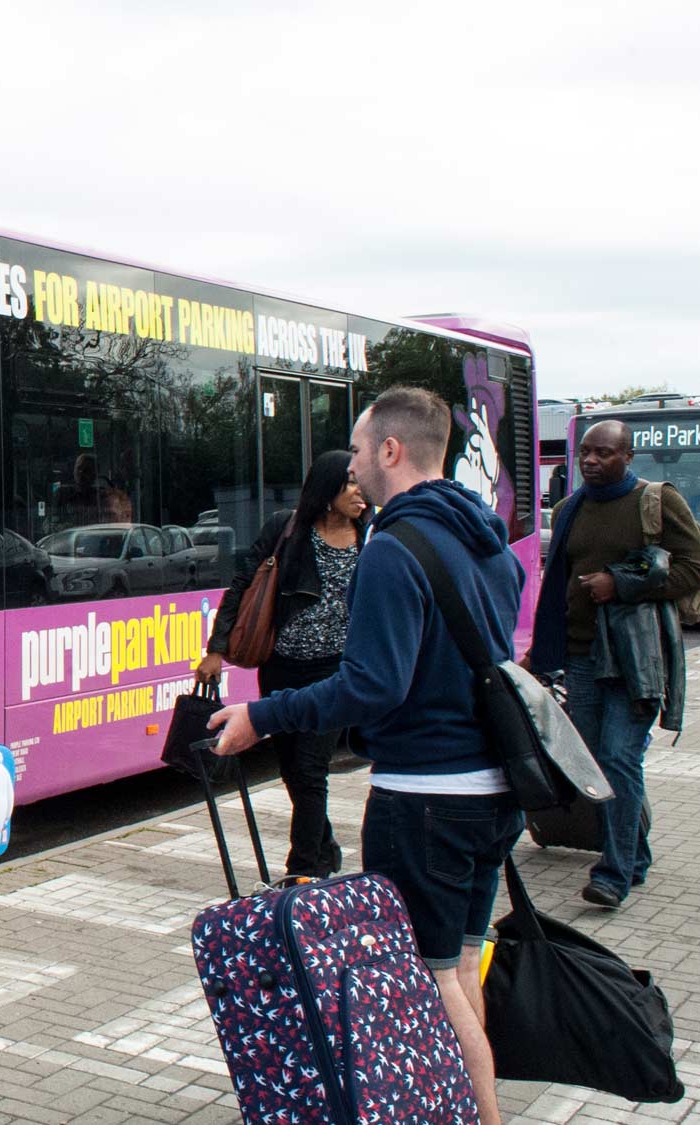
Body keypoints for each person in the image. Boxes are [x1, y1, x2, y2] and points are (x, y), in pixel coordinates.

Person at [207, 387, 525, 1125]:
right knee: (460, 956)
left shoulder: (393, 548)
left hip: (426, 800)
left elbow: (372, 685)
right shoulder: (485, 538)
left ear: (390, 450)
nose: (349, 465)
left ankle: (482, 1115)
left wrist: (263, 713)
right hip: (493, 793)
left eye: (355, 449)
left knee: (431, 973)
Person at [528, 418, 700, 909]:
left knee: (619, 758)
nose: (591, 460)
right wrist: (540, 655)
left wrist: (621, 583)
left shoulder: (656, 501)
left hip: (637, 659)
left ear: (627, 457)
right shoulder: (569, 509)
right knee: (594, 764)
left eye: (604, 453)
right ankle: (635, 855)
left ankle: (613, 873)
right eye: (586, 452)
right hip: (583, 657)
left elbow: (696, 570)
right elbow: (556, 590)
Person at [197, 449, 368, 882]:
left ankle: (303, 872)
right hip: (281, 668)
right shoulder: (287, 530)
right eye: (350, 484)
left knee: (311, 771)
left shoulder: (372, 536)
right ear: (328, 489)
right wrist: (217, 649)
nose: (360, 493)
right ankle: (324, 846)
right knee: (293, 772)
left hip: (334, 672)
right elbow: (242, 584)